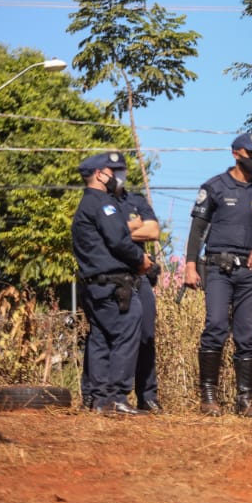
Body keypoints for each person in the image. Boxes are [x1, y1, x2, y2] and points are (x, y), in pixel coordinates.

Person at [183, 132, 252, 417]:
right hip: (218, 268)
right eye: (250, 153)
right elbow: (197, 229)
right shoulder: (214, 187)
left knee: (247, 336)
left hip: (250, 273)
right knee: (215, 327)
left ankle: (245, 401)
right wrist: (190, 265)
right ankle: (208, 397)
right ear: (236, 153)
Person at [73, 152, 152, 416]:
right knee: (126, 332)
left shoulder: (87, 204)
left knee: (101, 338)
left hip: (95, 284)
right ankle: (118, 397)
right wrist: (141, 260)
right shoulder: (103, 203)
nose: (118, 175)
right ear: (99, 174)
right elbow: (119, 240)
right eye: (113, 170)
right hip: (113, 285)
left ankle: (100, 400)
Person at [118, 176, 162, 413]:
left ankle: (148, 396)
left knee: (146, 335)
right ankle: (103, 395)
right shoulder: (100, 203)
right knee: (109, 337)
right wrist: (135, 227)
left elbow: (154, 230)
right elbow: (101, 234)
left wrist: (119, 231)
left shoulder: (135, 200)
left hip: (141, 275)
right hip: (113, 275)